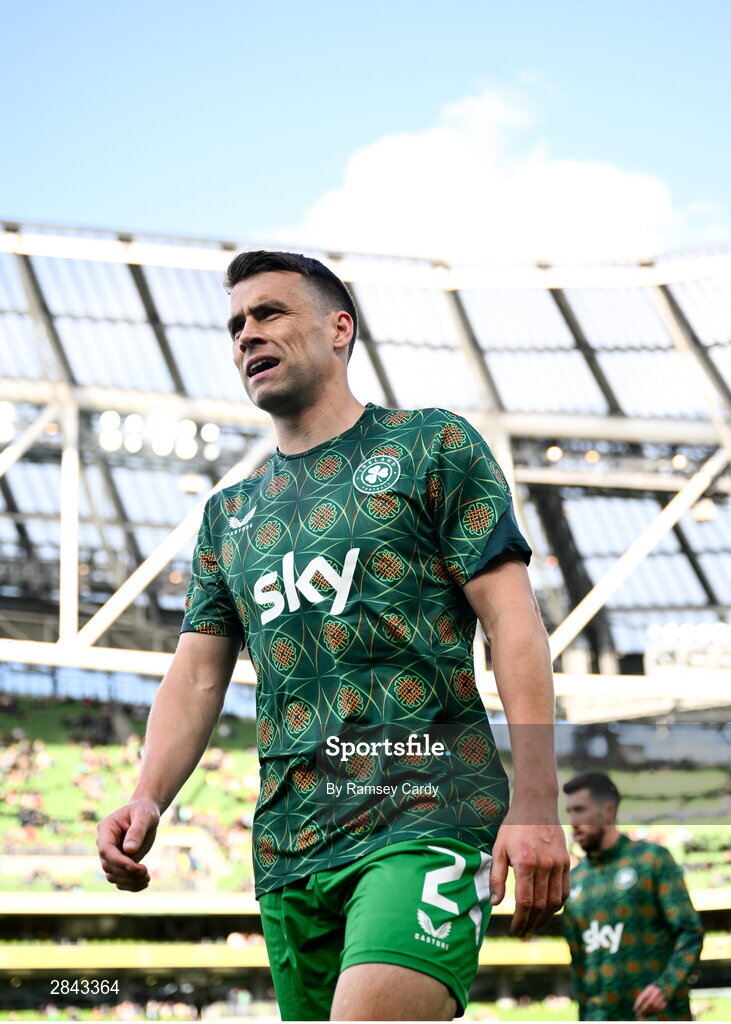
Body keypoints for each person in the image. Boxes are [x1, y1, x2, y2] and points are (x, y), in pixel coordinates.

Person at [97, 250, 569, 1021]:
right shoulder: (229, 514)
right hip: (291, 846)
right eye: (235, 325)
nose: (246, 334)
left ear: (339, 328)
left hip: (425, 810)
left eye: (269, 313)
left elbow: (512, 621)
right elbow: (197, 675)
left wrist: (536, 799)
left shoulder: (430, 445)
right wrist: (148, 796)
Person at [562, 771, 703, 1022]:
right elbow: (579, 964)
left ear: (609, 811)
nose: (573, 822)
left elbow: (690, 932)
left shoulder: (652, 860)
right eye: (569, 812)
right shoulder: (574, 881)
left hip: (659, 1016)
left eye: (580, 810)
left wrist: (666, 987)